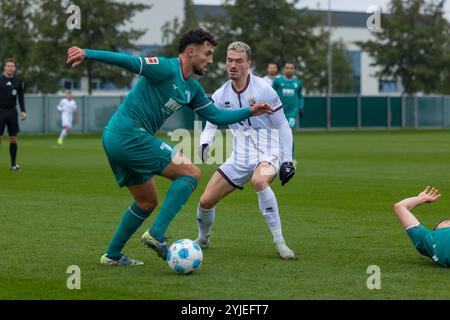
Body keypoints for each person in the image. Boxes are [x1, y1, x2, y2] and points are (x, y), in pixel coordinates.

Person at [66, 28, 273, 266]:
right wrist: (87, 53)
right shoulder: (165, 67)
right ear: (190, 51)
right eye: (207, 53)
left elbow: (216, 116)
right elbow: (128, 61)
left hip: (119, 138)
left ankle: (112, 255)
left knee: (146, 202)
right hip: (128, 134)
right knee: (191, 173)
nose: (211, 60)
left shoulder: (192, 89)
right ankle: (155, 234)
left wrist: (250, 110)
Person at [196, 41, 296, 260]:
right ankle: (203, 239)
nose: (233, 65)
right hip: (239, 156)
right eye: (229, 60)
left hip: (269, 150)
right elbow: (211, 123)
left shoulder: (263, 89)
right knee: (205, 201)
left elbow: (282, 125)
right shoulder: (221, 94)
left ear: (248, 63)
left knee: (259, 181)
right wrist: (205, 142)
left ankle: (280, 242)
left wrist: (287, 160)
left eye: (239, 61)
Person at [394, 186, 450, 267]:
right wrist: (421, 199)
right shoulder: (426, 238)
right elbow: (399, 207)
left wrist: (420, 199)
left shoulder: (426, 240)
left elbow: (400, 207)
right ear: (436, 229)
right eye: (446, 221)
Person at [0, 58, 27, 171]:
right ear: (4, 67)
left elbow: (20, 97)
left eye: (12, 66)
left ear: (14, 68)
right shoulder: (0, 80)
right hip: (0, 111)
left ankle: (13, 165)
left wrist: (23, 111)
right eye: (8, 66)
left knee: (13, 139)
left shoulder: (18, 81)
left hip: (12, 112)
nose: (10, 68)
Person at [272, 62, 304, 129]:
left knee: (288, 132)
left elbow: (300, 96)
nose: (289, 70)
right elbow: (271, 94)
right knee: (279, 133)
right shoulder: (278, 81)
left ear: (294, 70)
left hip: (292, 113)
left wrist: (301, 107)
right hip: (279, 112)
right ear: (284, 69)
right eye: (287, 68)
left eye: (291, 68)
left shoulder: (297, 83)